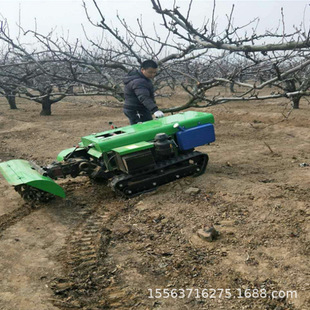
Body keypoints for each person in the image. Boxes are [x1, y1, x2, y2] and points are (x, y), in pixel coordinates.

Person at [123, 60, 164, 125]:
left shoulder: (140, 78)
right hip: (136, 110)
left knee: (143, 128)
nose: (153, 75)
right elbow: (144, 97)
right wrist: (155, 110)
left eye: (154, 72)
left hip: (135, 108)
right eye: (150, 72)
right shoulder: (139, 82)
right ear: (142, 70)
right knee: (145, 129)